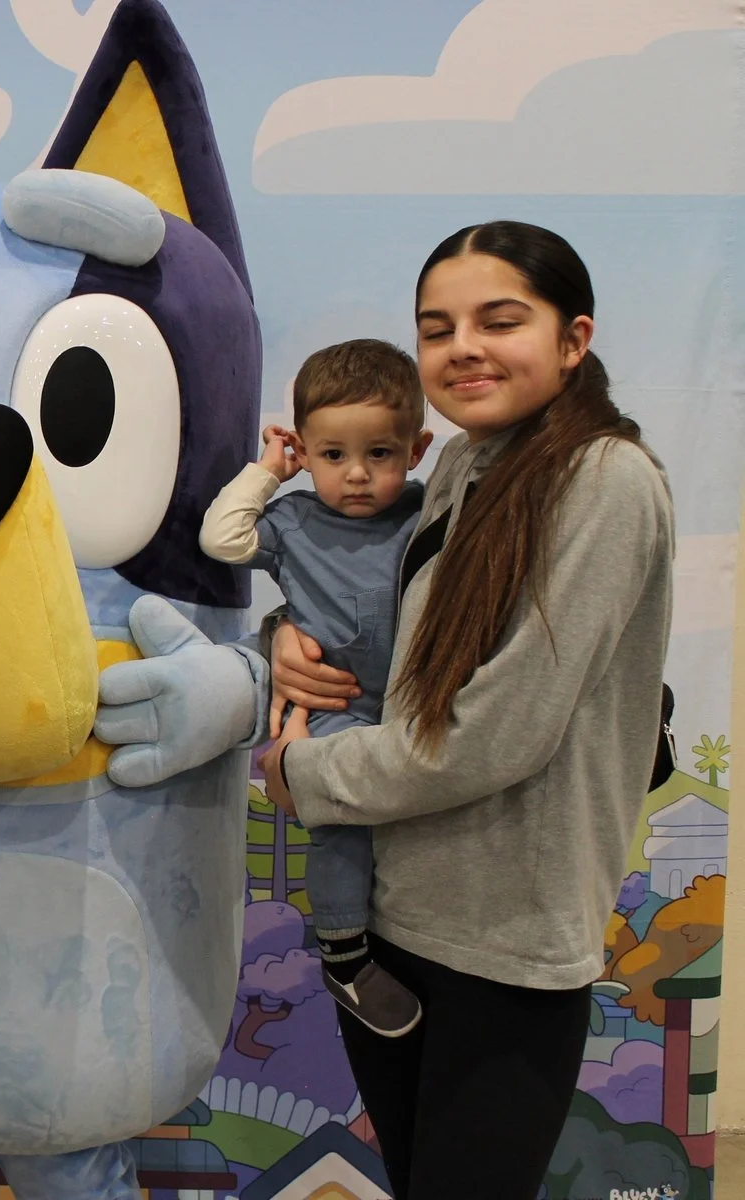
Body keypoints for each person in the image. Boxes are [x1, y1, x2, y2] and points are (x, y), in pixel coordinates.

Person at [258, 221, 674, 1199]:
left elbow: (493, 737)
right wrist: (284, 632)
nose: (464, 349)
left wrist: (302, 774)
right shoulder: (463, 467)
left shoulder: (603, 481)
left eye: (500, 321)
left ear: (573, 339)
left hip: (505, 942)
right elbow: (387, 631)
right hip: (397, 910)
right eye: (437, 329)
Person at [199, 339, 431, 1036]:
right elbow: (222, 539)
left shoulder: (423, 513)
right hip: (336, 707)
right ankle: (343, 952)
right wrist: (269, 472)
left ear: (416, 450)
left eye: (379, 454)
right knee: (343, 827)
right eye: (332, 455)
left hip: (415, 711)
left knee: (420, 827)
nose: (356, 474)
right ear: (305, 449)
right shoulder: (296, 521)